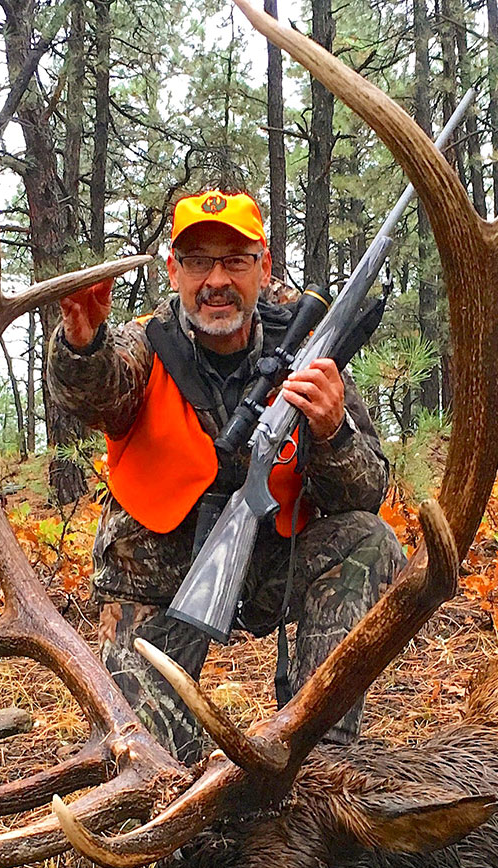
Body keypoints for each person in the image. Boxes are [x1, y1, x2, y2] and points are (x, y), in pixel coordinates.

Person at [48, 189, 405, 763]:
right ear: (173, 271)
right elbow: (93, 396)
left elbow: (365, 493)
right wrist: (82, 346)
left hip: (270, 567)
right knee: (152, 768)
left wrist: (333, 432)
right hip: (153, 580)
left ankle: (322, 753)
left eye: (235, 260)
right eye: (198, 261)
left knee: (367, 539)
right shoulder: (144, 344)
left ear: (263, 268)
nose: (216, 279)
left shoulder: (309, 350)